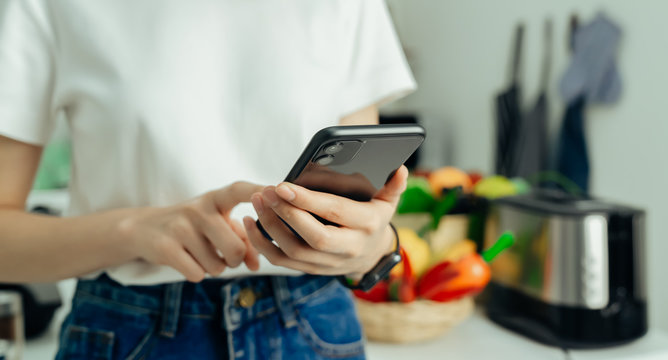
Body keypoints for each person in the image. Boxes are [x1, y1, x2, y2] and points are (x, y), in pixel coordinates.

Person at [0, 0, 415, 359]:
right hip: (129, 330)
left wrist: (370, 248)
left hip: (315, 328)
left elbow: (356, 213)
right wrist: (132, 231)